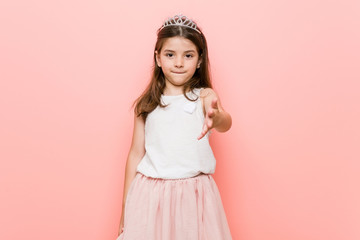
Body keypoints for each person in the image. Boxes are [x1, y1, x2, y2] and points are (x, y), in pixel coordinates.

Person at [116, 13, 233, 240]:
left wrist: (217, 118)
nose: (178, 63)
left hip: (194, 196)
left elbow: (225, 121)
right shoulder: (146, 105)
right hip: (150, 197)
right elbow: (135, 154)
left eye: (188, 55)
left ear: (199, 60)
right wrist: (125, 207)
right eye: (170, 55)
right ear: (158, 58)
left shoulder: (204, 96)